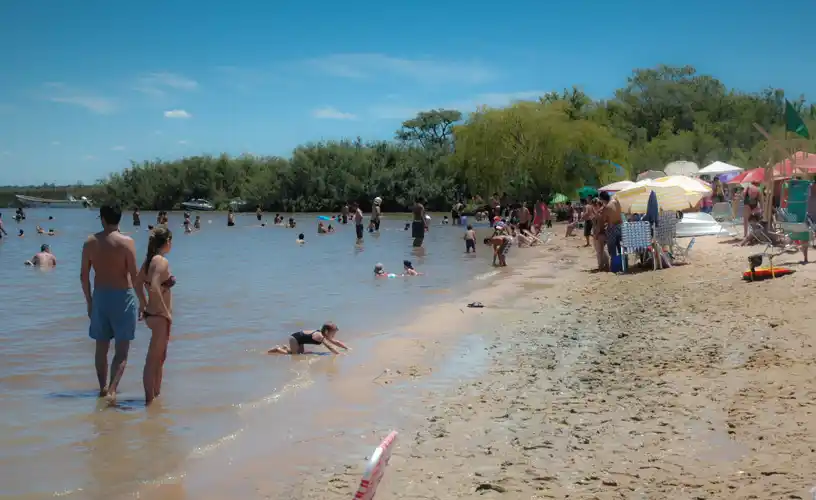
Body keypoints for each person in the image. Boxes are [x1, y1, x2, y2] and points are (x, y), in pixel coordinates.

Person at [81, 204, 147, 400]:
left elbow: (83, 276)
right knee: (122, 350)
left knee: (101, 348)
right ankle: (112, 390)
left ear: (102, 218)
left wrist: (89, 302)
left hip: (100, 296)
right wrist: (143, 301)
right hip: (123, 296)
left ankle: (102, 388)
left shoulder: (90, 242)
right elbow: (135, 276)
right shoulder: (127, 243)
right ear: (120, 219)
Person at [137, 226, 175, 405]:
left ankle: (156, 398)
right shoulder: (161, 261)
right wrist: (166, 312)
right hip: (160, 316)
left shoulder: (149, 261)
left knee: (160, 358)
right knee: (153, 360)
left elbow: (137, 284)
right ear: (167, 241)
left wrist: (143, 304)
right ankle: (149, 401)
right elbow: (153, 286)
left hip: (152, 314)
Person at [267, 322, 349, 355]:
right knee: (294, 355)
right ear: (327, 332)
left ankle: (286, 347)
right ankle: (277, 349)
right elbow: (329, 347)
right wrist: (338, 354)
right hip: (294, 339)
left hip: (299, 339)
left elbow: (335, 342)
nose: (334, 334)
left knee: (301, 353)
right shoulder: (321, 336)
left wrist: (346, 348)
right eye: (334, 332)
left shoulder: (325, 335)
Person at [600, 191, 623, 264]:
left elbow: (603, 220)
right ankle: (623, 263)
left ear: (602, 199)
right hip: (620, 226)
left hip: (612, 228)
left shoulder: (606, 207)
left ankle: (615, 264)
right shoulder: (616, 202)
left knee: (612, 248)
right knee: (620, 247)